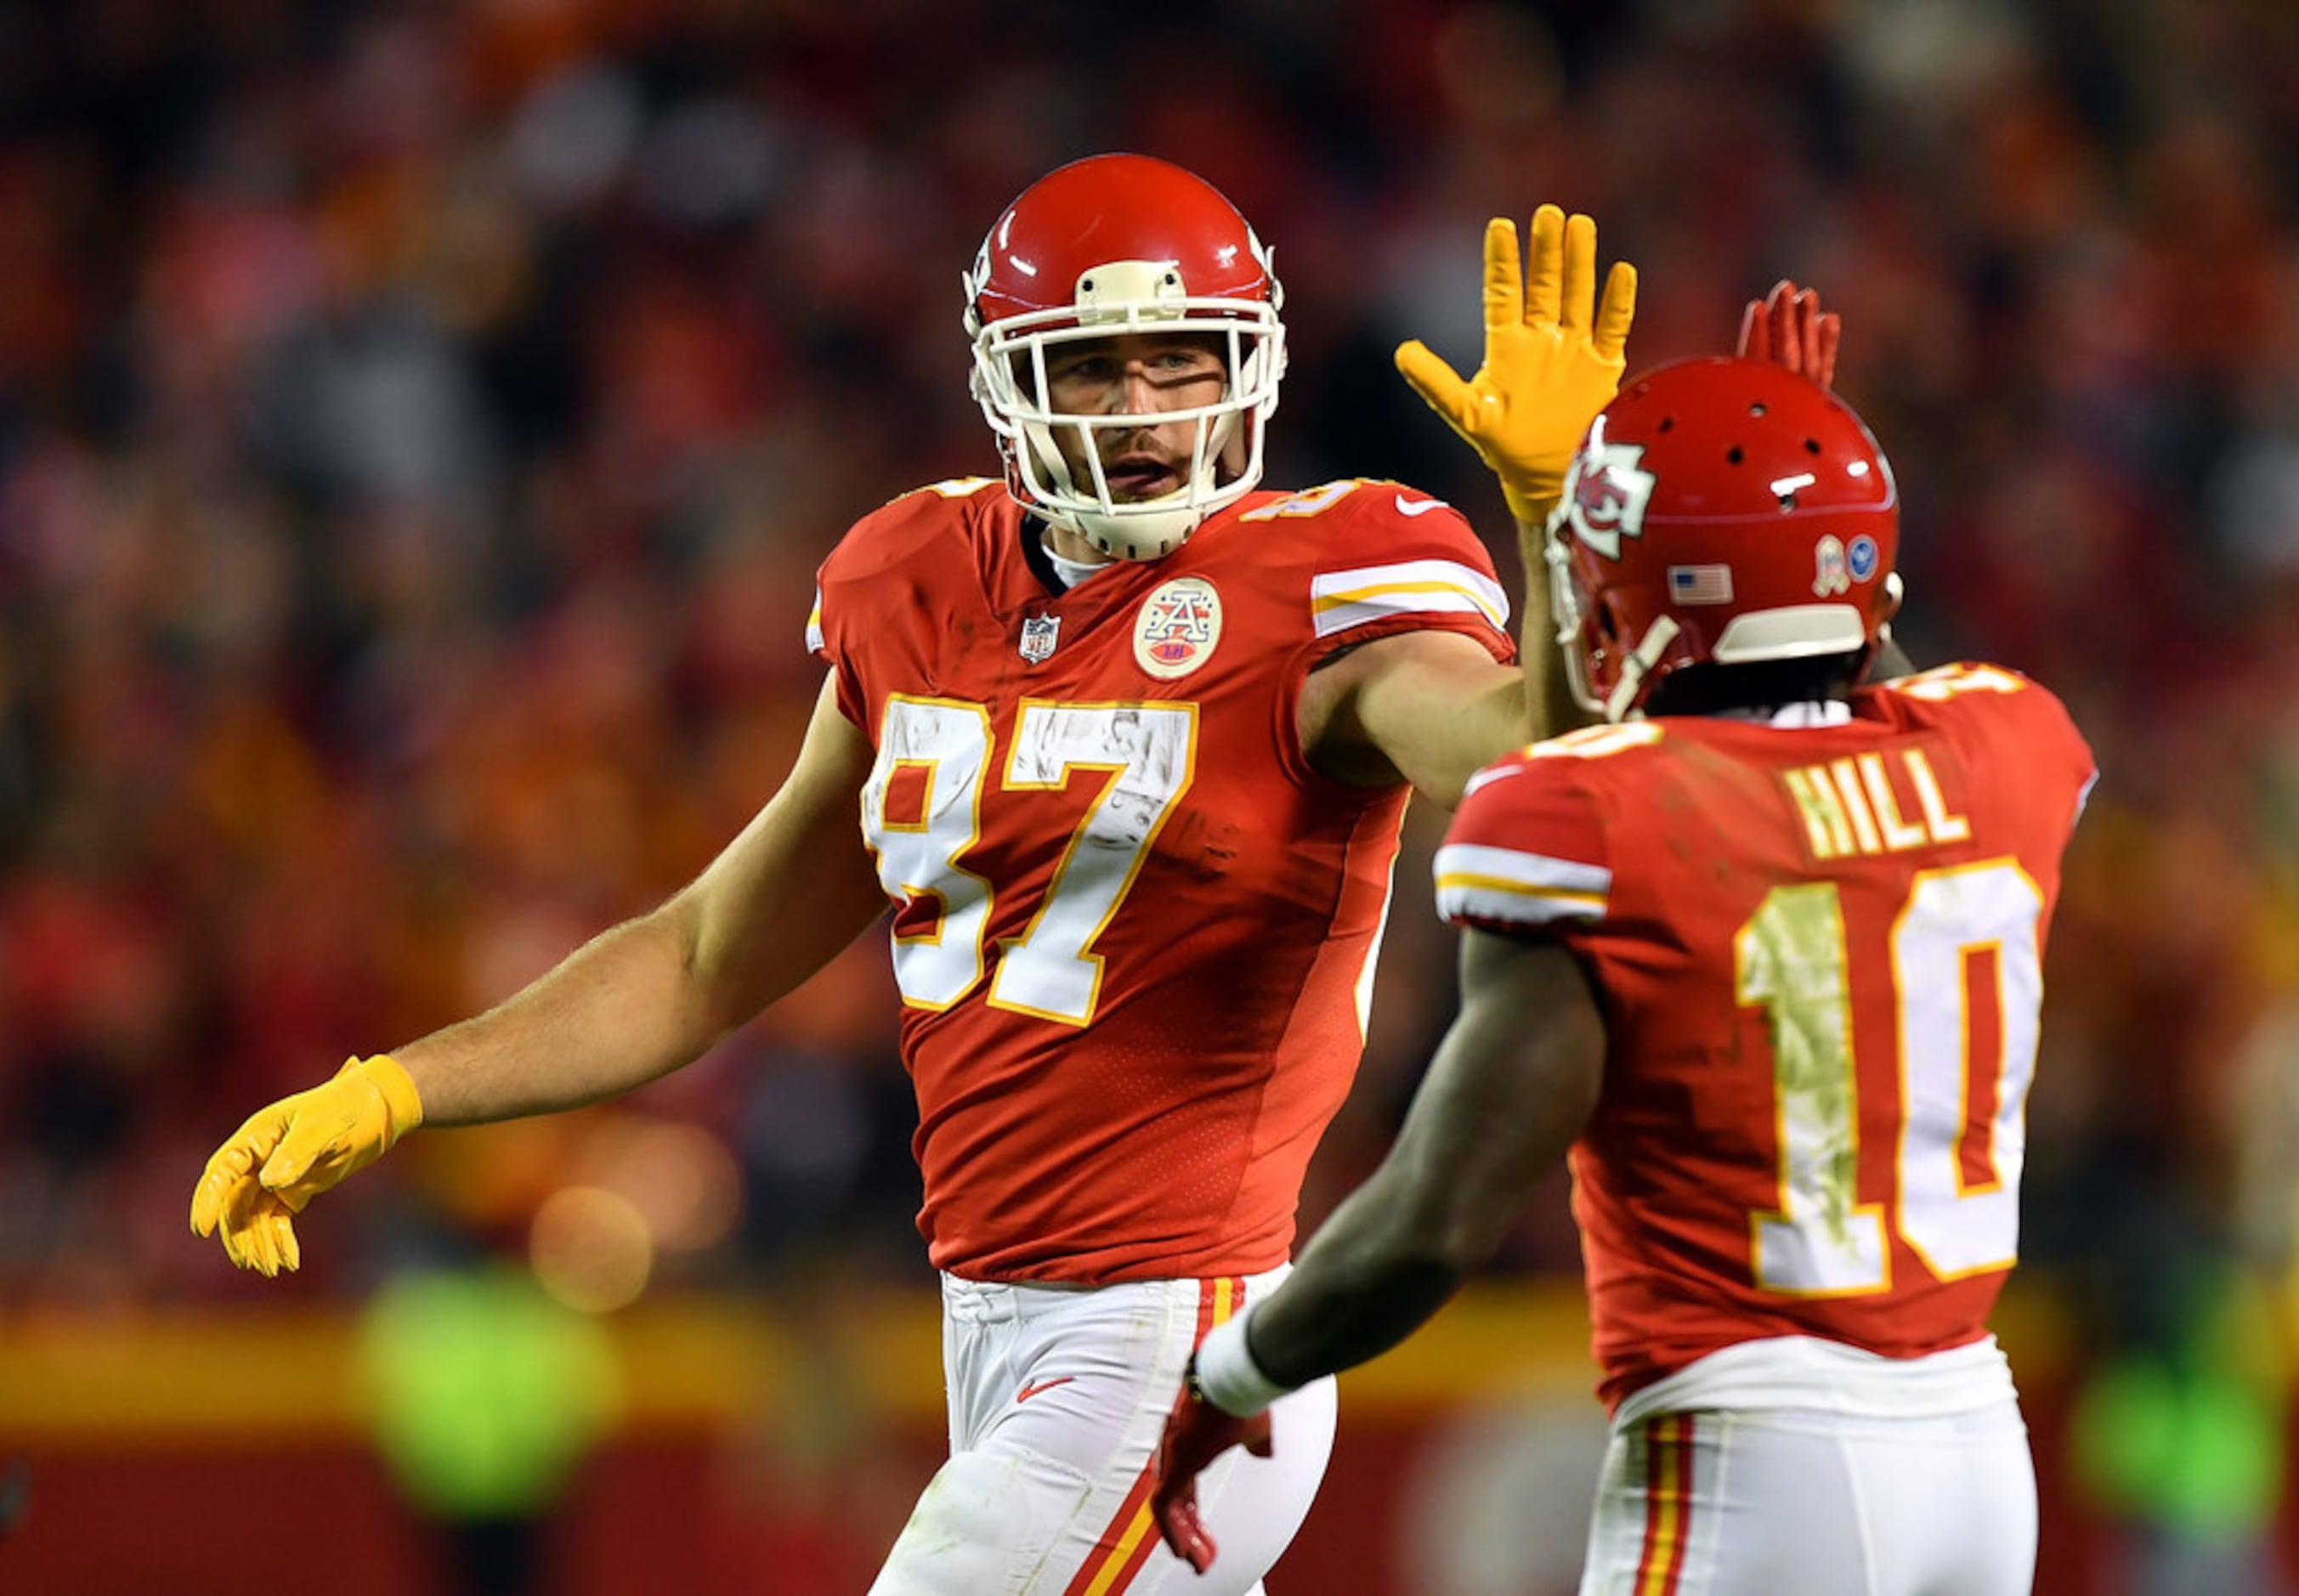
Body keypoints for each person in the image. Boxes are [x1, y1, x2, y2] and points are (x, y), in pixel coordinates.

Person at [190, 152, 1643, 1594]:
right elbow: (705, 955)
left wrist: (1551, 529)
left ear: (1244, 367)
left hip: (1177, 1343)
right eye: (1093, 370)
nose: (1142, 413)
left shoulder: (1330, 578)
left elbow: (1524, 756)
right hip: (992, 1327)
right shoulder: (915, 578)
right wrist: (397, 1089)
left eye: (1178, 361)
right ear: (1010, 380)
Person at [1150, 354, 2098, 1596]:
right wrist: (1796, 517)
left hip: (1750, 1444)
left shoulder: (1590, 813)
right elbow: (1862, 692)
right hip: (1975, 1444)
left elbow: (1435, 1219)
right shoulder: (2005, 741)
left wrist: (1231, 1374)